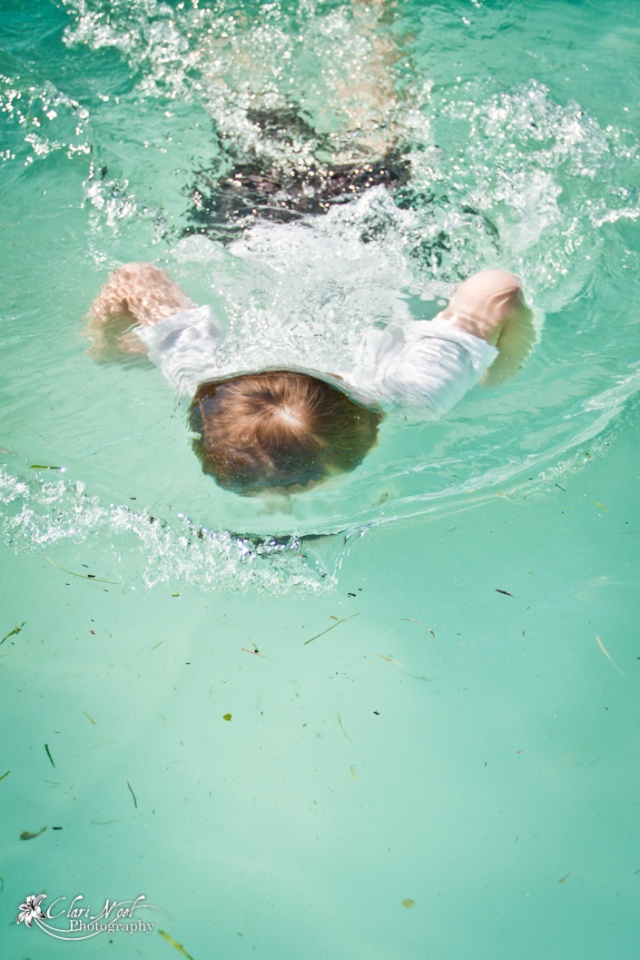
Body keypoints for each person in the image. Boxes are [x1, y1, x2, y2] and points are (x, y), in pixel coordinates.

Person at [84, 262, 535, 495]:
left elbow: (499, 288)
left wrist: (496, 373)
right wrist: (102, 348)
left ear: (374, 433)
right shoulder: (196, 376)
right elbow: (133, 277)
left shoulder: (416, 391)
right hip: (258, 220)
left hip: (366, 231)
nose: (279, 501)